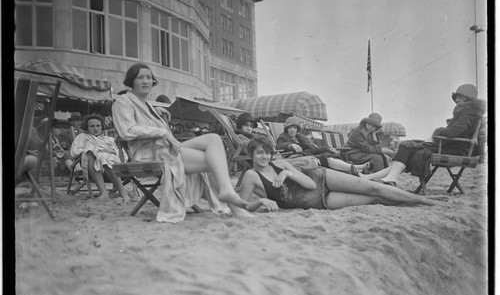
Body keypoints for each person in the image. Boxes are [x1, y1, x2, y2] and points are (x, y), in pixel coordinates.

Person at [112, 62, 251, 223]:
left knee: (214, 139)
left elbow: (143, 120)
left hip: (163, 149)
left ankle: (227, 192)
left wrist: (155, 113)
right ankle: (235, 206)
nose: (145, 81)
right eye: (140, 77)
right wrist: (162, 130)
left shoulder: (147, 105)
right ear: (131, 81)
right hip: (147, 154)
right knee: (213, 161)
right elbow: (127, 130)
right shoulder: (122, 101)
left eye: (149, 78)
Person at [238, 136, 447, 212]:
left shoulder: (280, 164)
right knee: (373, 199)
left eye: (267, 153)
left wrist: (286, 174)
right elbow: (242, 206)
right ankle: (414, 201)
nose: (264, 157)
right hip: (316, 202)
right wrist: (260, 203)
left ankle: (424, 200)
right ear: (252, 155)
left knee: (374, 186)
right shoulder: (251, 176)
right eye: (259, 153)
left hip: (321, 178)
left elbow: (309, 183)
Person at [374, 84, 486, 187]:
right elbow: (454, 133)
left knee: (407, 146)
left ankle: (390, 178)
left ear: (467, 98)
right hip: (452, 147)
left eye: (459, 97)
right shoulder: (469, 113)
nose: (456, 100)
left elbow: (452, 133)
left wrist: (437, 133)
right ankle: (381, 177)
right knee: (409, 146)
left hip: (455, 150)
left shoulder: (468, 114)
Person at [276, 116, 370, 175]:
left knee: (329, 153)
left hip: (310, 155)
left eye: (294, 128)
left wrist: (328, 148)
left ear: (297, 129)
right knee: (325, 157)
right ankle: (354, 168)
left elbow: (314, 149)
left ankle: (352, 169)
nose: (292, 130)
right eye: (290, 128)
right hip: (303, 158)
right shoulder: (283, 137)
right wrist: (290, 145)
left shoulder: (301, 137)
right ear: (287, 129)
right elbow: (279, 146)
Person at [70, 114, 130, 203]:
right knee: (90, 153)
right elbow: (74, 152)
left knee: (107, 158)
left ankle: (123, 193)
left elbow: (123, 155)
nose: (95, 128)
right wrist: (97, 152)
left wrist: (111, 153)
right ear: (87, 127)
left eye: (98, 126)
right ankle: (104, 193)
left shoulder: (109, 139)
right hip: (92, 170)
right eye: (92, 126)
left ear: (102, 127)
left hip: (114, 170)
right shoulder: (82, 137)